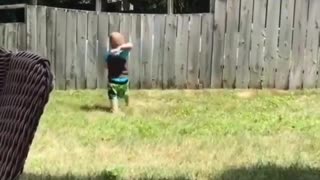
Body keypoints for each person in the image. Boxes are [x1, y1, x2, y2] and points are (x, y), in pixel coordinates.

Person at [104, 32, 133, 113]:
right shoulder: (123, 54)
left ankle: (115, 109)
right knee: (125, 93)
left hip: (113, 81)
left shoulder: (108, 55)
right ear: (122, 42)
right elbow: (130, 45)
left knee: (113, 95)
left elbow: (106, 66)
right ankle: (126, 104)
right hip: (124, 80)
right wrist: (120, 48)